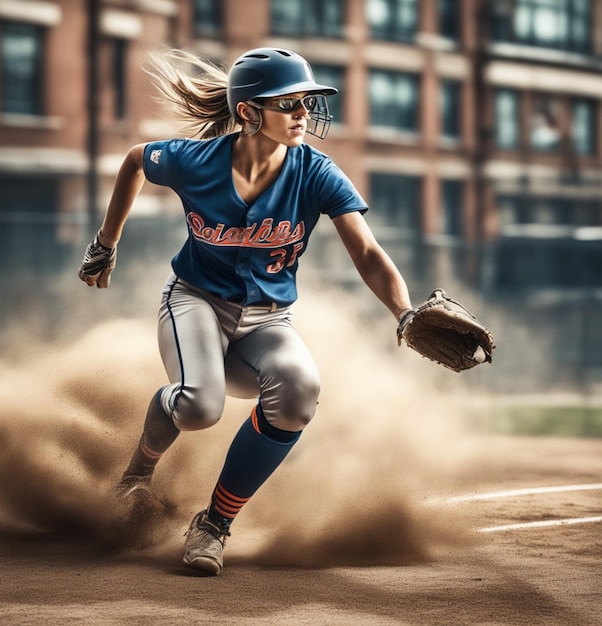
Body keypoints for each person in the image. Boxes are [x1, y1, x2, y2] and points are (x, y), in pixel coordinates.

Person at [78, 47, 413, 576]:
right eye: (288, 103)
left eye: (307, 101)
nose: (304, 113)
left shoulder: (315, 173)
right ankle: (137, 475)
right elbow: (136, 160)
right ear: (248, 112)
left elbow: (368, 253)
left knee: (300, 393)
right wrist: (105, 243)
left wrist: (405, 312)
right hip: (194, 301)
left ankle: (212, 524)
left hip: (266, 321)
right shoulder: (197, 161)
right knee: (198, 407)